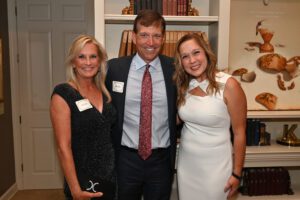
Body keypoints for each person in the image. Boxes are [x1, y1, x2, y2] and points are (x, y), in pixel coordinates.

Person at [105, 9, 177, 200]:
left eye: (156, 36)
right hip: (126, 160)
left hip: (161, 161)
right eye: (144, 35)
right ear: (134, 37)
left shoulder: (175, 69)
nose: (150, 42)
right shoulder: (113, 69)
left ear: (163, 38)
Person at [173, 33, 247, 199]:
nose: (192, 60)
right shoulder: (183, 85)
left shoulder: (229, 85)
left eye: (196, 52)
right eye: (185, 56)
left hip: (217, 168)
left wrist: (236, 174)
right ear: (181, 62)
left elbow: (240, 133)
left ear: (206, 52)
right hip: (187, 166)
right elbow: (177, 119)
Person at [50, 34, 117, 200]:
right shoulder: (63, 94)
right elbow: (63, 147)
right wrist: (75, 190)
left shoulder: (104, 92)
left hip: (110, 177)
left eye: (93, 56)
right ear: (73, 62)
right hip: (82, 180)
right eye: (81, 57)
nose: (88, 62)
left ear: (100, 61)